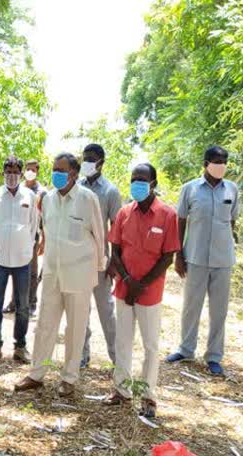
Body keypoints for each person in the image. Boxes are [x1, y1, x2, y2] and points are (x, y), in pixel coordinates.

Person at [15, 153, 106, 397]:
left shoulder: (88, 199)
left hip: (79, 274)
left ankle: (69, 378)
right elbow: (47, 233)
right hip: (53, 272)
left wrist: (99, 268)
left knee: (75, 328)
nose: (56, 173)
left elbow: (99, 234)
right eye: (54, 169)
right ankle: (36, 374)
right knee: (45, 324)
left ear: (74, 174)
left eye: (61, 170)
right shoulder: (48, 200)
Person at [102, 163, 180, 419]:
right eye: (134, 178)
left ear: (153, 183)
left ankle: (148, 396)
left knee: (150, 345)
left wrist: (141, 284)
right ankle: (121, 391)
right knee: (122, 341)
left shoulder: (167, 215)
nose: (137, 183)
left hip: (149, 292)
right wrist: (126, 279)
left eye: (142, 179)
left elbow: (167, 257)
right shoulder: (125, 213)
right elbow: (115, 251)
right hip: (124, 289)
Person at [168, 145, 241, 376]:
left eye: (224, 161)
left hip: (223, 259)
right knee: (191, 306)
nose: (221, 166)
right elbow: (181, 220)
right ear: (206, 163)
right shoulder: (189, 189)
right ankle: (186, 349)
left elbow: (232, 221)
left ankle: (214, 356)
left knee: (219, 310)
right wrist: (179, 255)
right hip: (195, 256)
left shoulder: (232, 189)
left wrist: (228, 244)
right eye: (216, 161)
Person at [0, 156, 39, 365]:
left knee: (23, 305)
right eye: (8, 172)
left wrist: (28, 247)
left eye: (16, 172)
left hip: (22, 259)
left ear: (21, 173)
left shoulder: (29, 196)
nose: (12, 177)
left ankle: (20, 346)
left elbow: (34, 225)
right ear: (3, 173)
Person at [79, 143, 121, 368]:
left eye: (91, 158)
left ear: (101, 162)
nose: (86, 162)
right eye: (84, 157)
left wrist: (115, 260)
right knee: (81, 310)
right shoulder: (77, 186)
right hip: (79, 260)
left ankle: (117, 357)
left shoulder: (110, 191)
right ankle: (82, 355)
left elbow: (116, 228)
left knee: (106, 310)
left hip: (101, 261)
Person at [5, 159, 46, 316]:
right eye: (27, 169)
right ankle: (14, 302)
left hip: (33, 235)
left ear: (37, 171)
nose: (29, 172)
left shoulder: (41, 192)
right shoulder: (18, 188)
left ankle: (31, 302)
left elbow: (44, 218)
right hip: (16, 235)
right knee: (15, 268)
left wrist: (43, 239)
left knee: (32, 270)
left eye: (32, 169)